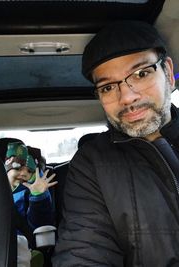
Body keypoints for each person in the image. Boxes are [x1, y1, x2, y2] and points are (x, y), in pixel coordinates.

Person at [52, 20, 179, 266]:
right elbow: (84, 252)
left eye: (141, 74)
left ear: (168, 73)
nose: (127, 97)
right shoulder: (92, 165)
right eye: (108, 87)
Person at [5, 141, 57, 230]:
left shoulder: (34, 190)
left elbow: (40, 224)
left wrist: (38, 197)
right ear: (6, 170)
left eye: (29, 171)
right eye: (18, 168)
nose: (24, 173)